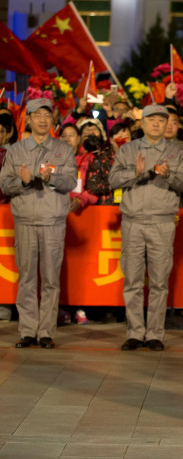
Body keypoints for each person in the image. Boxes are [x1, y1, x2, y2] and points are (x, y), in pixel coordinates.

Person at [108, 104, 183, 351]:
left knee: (159, 281)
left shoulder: (176, 152)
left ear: (167, 124)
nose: (156, 124)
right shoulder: (128, 150)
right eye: (151, 120)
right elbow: (113, 180)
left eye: (161, 120)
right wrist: (134, 173)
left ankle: (155, 333)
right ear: (142, 123)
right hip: (133, 222)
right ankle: (135, 332)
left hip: (162, 222)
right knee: (132, 280)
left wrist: (168, 176)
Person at [0, 98, 77, 349]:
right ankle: (27, 331)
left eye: (47, 115)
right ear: (29, 119)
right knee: (26, 278)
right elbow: (4, 185)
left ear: (53, 120)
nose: (43, 120)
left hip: (53, 221)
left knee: (51, 278)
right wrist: (23, 182)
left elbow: (70, 182)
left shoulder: (63, 149)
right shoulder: (15, 150)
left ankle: (46, 331)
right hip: (25, 221)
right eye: (37, 115)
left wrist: (51, 176)